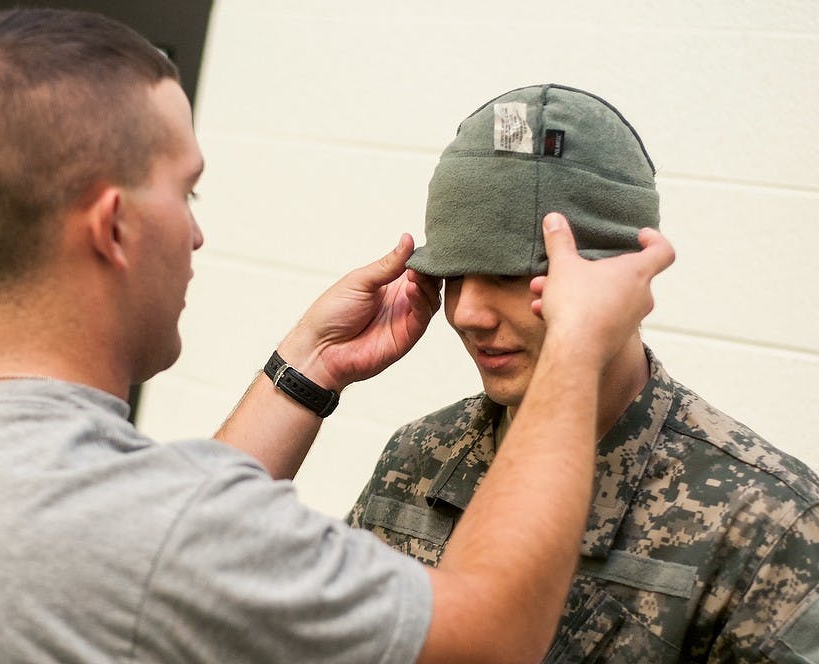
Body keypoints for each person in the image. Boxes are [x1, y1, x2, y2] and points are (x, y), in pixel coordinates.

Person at [0, 13, 675, 663]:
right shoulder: (153, 524)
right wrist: (576, 346)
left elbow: (155, 553)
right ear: (114, 227)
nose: (196, 234)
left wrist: (305, 371)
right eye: (186, 192)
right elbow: (491, 632)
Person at [348, 84, 819, 662]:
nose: (467, 313)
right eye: (453, 274)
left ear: (619, 276)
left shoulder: (764, 522)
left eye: (508, 275)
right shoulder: (420, 458)